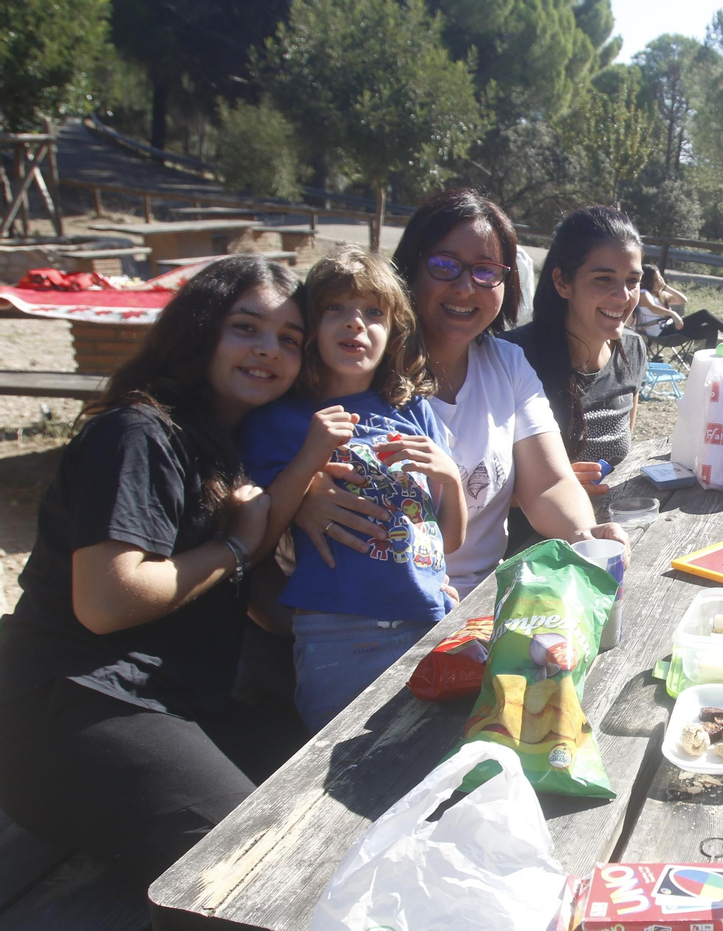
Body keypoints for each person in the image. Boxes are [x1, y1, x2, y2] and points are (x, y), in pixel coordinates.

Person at [0, 255, 309, 887]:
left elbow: (256, 609)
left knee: (315, 791)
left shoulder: (230, 450)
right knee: (250, 866)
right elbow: (107, 600)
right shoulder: (139, 433)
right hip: (73, 703)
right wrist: (234, 549)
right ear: (199, 329)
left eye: (288, 339)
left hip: (172, 702)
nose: (268, 350)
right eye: (246, 327)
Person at [291, 189, 624, 600]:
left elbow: (549, 484)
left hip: (481, 605)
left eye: (486, 271)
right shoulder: (360, 368)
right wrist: (300, 494)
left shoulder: (509, 364)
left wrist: (587, 537)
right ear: (409, 270)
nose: (466, 287)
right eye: (445, 265)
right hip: (381, 608)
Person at [241, 248, 466, 731]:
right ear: (310, 327)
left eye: (373, 312)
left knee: (423, 761)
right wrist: (309, 461)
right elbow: (259, 534)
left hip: (429, 617)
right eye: (335, 309)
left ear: (394, 331)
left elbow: (446, 543)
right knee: (330, 773)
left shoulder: (414, 411)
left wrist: (451, 478)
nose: (354, 324)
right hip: (337, 632)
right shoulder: (280, 420)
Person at [503, 206, 648, 495]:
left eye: (632, 281)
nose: (623, 296)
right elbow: (478, 479)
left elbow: (624, 454)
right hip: (531, 535)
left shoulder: (633, 350)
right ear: (562, 282)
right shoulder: (511, 357)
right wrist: (552, 483)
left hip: (611, 526)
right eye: (603, 278)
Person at [633, 264, 723, 346]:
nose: (659, 281)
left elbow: (682, 300)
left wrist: (665, 287)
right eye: (656, 279)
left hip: (672, 329)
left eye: (660, 278)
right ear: (648, 281)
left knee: (711, 329)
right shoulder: (644, 294)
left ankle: (708, 362)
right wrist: (673, 313)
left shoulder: (660, 294)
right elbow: (653, 308)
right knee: (704, 314)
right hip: (661, 332)